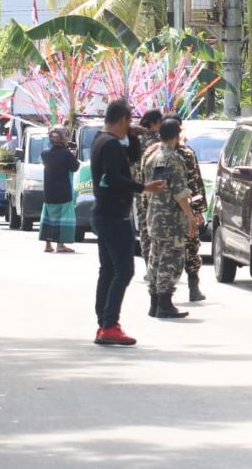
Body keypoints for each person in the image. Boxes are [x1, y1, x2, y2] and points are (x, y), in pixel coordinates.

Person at [92, 100, 164, 346]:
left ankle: (104, 321)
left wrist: (132, 137)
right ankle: (109, 324)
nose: (129, 127)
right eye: (128, 123)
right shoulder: (110, 144)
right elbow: (115, 178)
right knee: (124, 270)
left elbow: (132, 157)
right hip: (113, 215)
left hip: (105, 213)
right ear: (122, 119)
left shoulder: (100, 140)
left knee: (109, 269)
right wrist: (143, 187)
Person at [142, 118, 198, 320]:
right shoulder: (173, 159)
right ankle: (164, 303)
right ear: (176, 135)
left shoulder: (154, 156)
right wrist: (190, 218)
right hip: (170, 221)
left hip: (155, 217)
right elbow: (179, 193)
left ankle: (155, 302)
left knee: (156, 258)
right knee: (171, 260)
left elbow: (159, 185)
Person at [170, 115, 208, 302]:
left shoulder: (155, 152)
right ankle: (193, 287)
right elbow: (195, 183)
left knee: (166, 250)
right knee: (191, 248)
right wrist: (197, 210)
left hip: (164, 212)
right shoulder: (186, 153)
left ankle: (163, 295)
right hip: (185, 209)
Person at [39, 125, 80, 254]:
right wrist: (73, 155)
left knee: (49, 217)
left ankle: (48, 244)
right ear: (63, 138)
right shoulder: (66, 154)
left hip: (49, 192)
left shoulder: (45, 154)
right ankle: (60, 245)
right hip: (63, 192)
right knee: (63, 218)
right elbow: (75, 167)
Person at [134, 110, 163, 272]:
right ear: (153, 124)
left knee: (145, 229)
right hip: (155, 190)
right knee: (156, 229)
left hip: (140, 190)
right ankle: (157, 267)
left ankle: (149, 267)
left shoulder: (136, 140)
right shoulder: (157, 143)